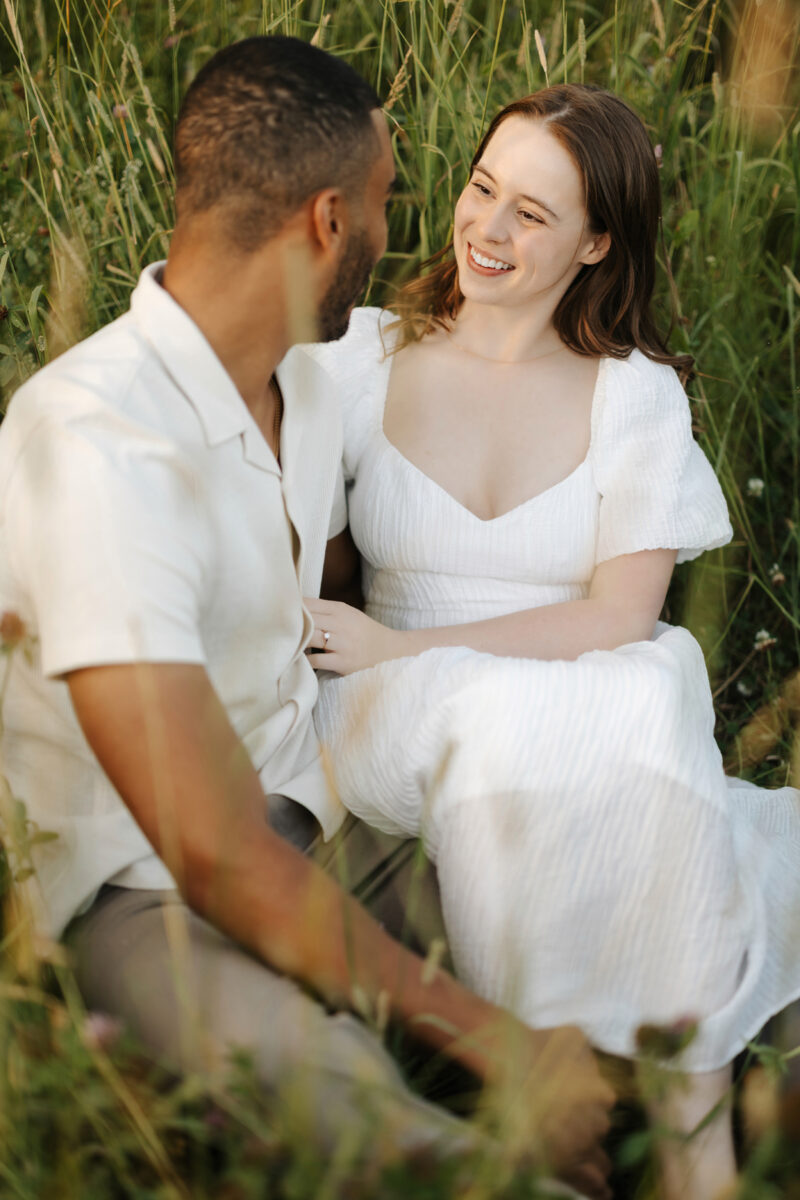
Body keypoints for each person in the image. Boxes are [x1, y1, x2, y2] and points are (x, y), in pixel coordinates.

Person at [0, 40, 614, 1198]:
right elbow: (210, 849)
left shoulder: (321, 375)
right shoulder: (90, 448)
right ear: (328, 223)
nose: (403, 235)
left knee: (591, 947)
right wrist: (488, 1041)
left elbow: (350, 557)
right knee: (352, 1120)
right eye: (390, 206)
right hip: (150, 892)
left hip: (328, 810)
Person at [302, 83, 800, 1199]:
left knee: (637, 688)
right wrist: (385, 656)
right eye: (483, 187)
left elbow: (622, 615)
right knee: (536, 713)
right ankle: (577, 1098)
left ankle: (688, 1130)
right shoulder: (363, 359)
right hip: (399, 713)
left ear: (595, 241)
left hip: (529, 669)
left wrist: (401, 649)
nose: (486, 227)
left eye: (532, 213)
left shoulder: (632, 396)